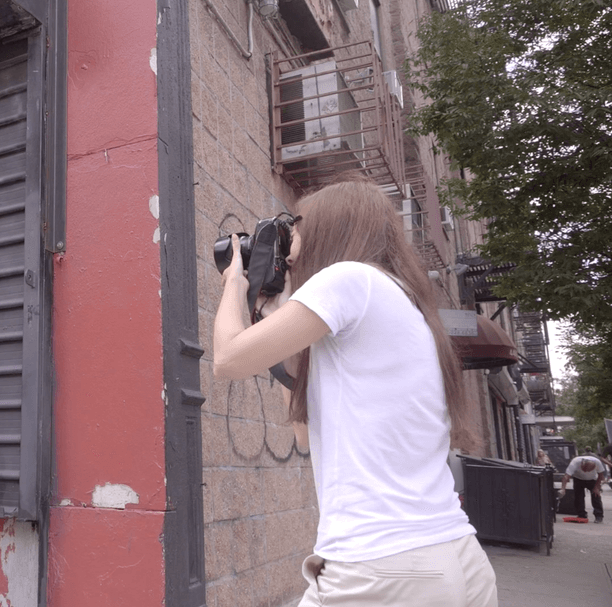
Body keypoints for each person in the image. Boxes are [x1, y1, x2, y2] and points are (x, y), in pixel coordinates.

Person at [213, 180, 497, 606]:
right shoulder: (404, 303)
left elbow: (228, 360)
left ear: (329, 231)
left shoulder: (349, 280)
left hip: (381, 568)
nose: (289, 253)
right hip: (455, 557)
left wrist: (235, 284)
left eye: (297, 233)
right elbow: (305, 435)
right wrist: (274, 319)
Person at [560, 454, 606, 523]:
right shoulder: (575, 462)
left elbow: (600, 475)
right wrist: (563, 488)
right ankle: (581, 514)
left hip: (592, 480)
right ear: (582, 465)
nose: (586, 472)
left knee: (596, 496)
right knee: (578, 497)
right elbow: (566, 476)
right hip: (578, 479)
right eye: (584, 470)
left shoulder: (597, 462)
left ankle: (599, 516)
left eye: (589, 470)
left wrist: (597, 487)